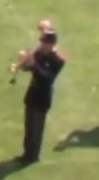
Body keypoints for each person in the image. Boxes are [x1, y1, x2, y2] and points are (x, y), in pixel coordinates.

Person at [16, 27, 64, 164]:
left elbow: (47, 78)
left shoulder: (58, 60)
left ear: (51, 44)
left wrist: (34, 65)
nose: (42, 45)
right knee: (29, 128)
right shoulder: (39, 53)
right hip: (32, 95)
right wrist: (23, 62)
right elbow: (28, 67)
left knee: (36, 129)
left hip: (42, 98)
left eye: (44, 43)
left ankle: (33, 156)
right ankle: (26, 153)